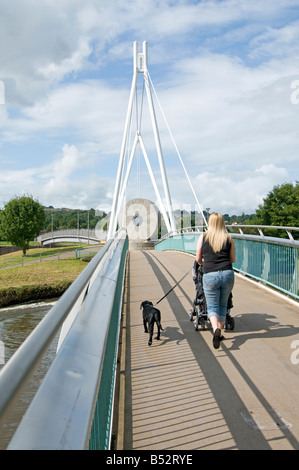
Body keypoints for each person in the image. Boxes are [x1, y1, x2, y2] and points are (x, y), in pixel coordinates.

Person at [195, 212, 235, 349]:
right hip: (227, 274)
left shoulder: (203, 237)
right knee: (223, 304)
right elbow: (233, 259)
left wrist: (203, 263)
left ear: (210, 222)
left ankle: (215, 329)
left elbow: (198, 259)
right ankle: (220, 329)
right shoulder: (228, 238)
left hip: (210, 275)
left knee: (212, 306)